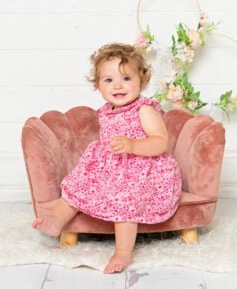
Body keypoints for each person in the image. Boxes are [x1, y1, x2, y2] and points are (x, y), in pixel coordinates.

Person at [32, 43, 182, 274]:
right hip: (111, 167)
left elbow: (160, 140)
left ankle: (123, 252)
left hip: (143, 169)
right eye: (108, 80)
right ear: (97, 85)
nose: (118, 85)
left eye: (126, 78)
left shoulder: (144, 109)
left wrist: (133, 145)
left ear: (142, 81)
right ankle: (56, 220)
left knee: (125, 199)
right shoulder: (104, 111)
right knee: (77, 184)